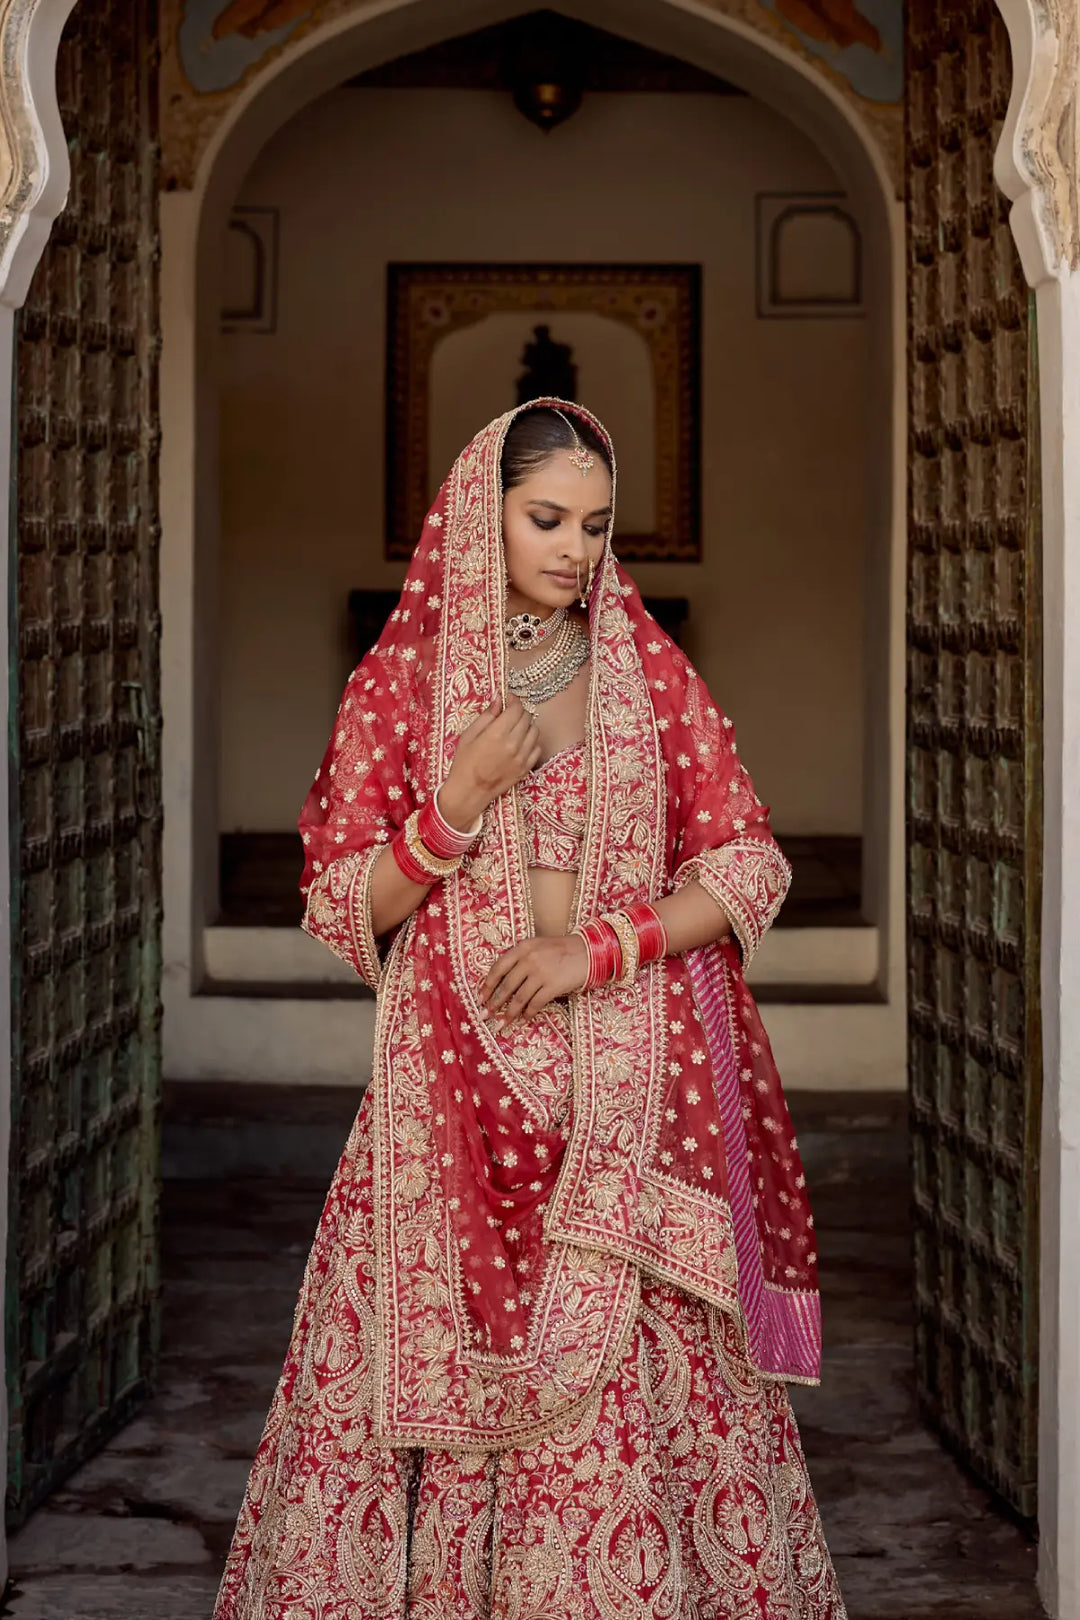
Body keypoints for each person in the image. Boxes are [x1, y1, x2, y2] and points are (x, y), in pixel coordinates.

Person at [213, 400, 846, 1618]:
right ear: (478, 510)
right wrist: (456, 803)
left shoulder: (644, 673)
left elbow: (751, 863)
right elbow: (344, 902)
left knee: (634, 1397)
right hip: (443, 1103)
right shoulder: (401, 684)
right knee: (429, 1369)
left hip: (625, 1102)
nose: (574, 549)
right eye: (546, 517)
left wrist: (597, 951)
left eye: (597, 527)